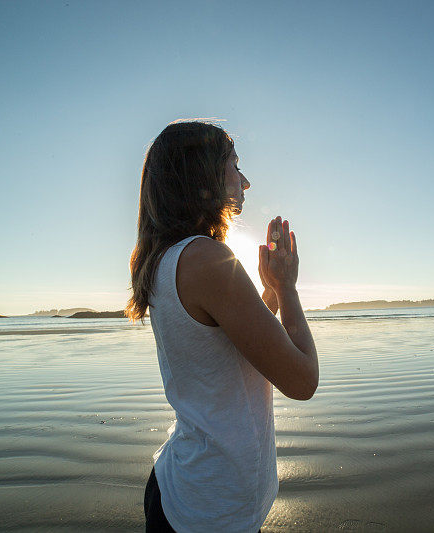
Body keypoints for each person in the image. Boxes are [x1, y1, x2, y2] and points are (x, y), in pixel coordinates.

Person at [126, 120, 319, 532]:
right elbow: (303, 381)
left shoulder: (167, 258)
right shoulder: (206, 259)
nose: (245, 181)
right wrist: (287, 289)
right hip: (205, 512)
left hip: (188, 493)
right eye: (235, 164)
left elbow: (224, 346)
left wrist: (266, 292)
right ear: (203, 172)